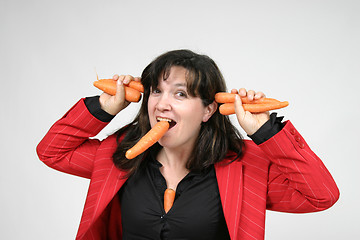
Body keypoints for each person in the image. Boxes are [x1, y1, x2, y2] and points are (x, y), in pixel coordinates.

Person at [36, 49, 339, 240]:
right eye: (156, 91)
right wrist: (104, 106)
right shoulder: (118, 157)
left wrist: (266, 131)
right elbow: (52, 151)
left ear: (208, 110)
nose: (162, 104)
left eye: (180, 94)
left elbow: (320, 197)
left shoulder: (244, 169)